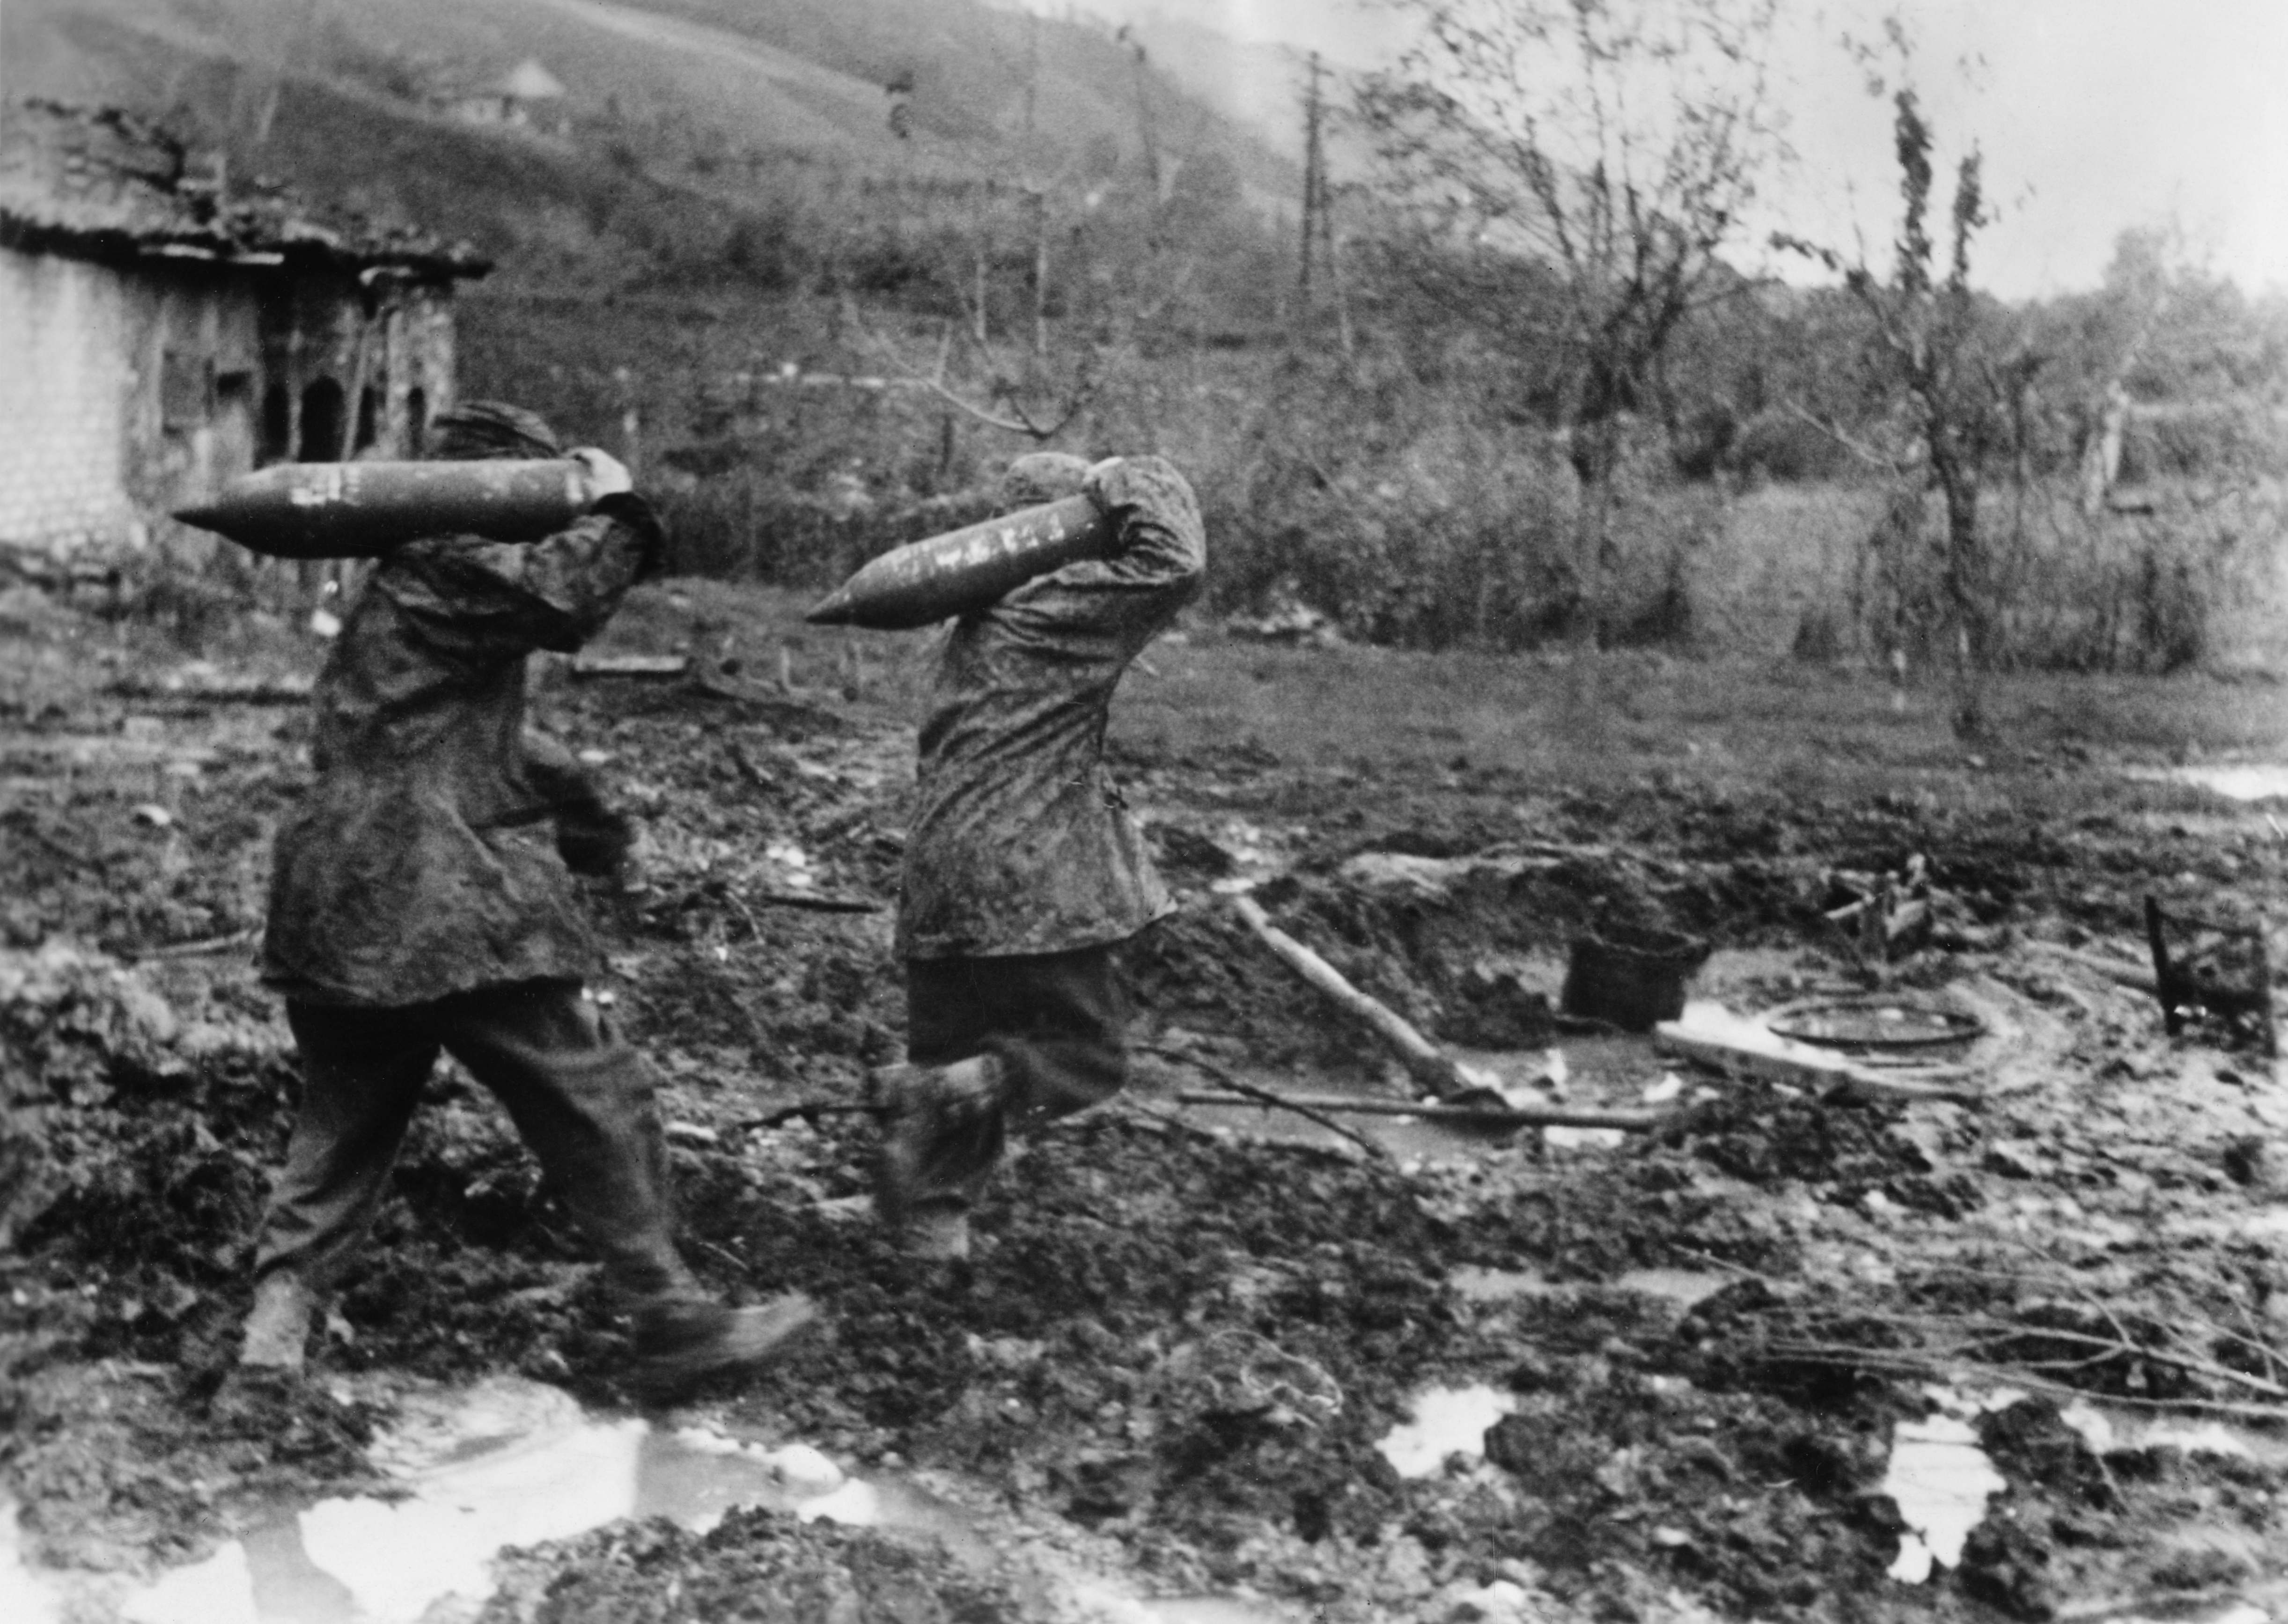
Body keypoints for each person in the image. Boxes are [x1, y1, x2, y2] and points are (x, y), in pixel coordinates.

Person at [239, 401, 814, 1391]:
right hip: (436, 896)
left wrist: (590, 820)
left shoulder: (407, 595)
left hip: (341, 906)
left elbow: (475, 739)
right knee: (596, 1096)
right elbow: (566, 596)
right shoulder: (449, 562)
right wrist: (624, 508)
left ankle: (268, 1348)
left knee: (339, 1138)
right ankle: (669, 1316)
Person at [874, 451, 1206, 1259]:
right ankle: (951, 1086)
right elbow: (1177, 558)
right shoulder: (1061, 607)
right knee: (1085, 1055)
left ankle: (928, 1238)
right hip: (1026, 875)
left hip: (940, 881)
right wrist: (1130, 476)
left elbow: (1056, 752)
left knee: (947, 1101)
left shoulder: (975, 625)